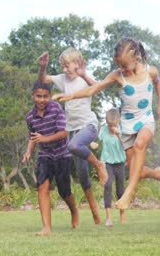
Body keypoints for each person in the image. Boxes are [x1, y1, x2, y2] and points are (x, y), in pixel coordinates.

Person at [53, 38, 160, 211]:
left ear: (137, 59)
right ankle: (155, 172)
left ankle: (128, 194)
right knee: (134, 169)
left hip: (146, 120)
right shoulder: (117, 75)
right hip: (127, 125)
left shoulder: (150, 71)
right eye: (119, 65)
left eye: (125, 65)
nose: (121, 69)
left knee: (140, 145)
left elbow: (158, 82)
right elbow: (94, 89)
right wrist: (70, 96)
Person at [38, 47, 107, 224]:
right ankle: (96, 215)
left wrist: (84, 75)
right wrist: (43, 67)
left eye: (67, 65)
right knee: (83, 175)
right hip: (74, 129)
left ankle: (99, 165)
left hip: (89, 126)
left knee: (73, 146)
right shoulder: (63, 79)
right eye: (62, 66)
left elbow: (97, 88)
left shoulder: (83, 79)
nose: (64, 69)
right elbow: (43, 80)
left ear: (77, 63)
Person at [22, 81, 79, 236]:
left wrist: (44, 139)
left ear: (49, 96)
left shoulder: (56, 109)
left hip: (62, 154)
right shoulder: (30, 117)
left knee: (64, 191)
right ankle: (46, 227)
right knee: (42, 186)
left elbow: (63, 133)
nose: (42, 100)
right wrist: (28, 151)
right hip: (45, 155)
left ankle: (74, 211)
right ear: (33, 96)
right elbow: (33, 138)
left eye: (45, 96)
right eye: (38, 96)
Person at [98, 108, 127, 226]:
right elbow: (98, 141)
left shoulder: (123, 130)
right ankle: (108, 218)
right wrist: (94, 144)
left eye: (113, 125)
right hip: (107, 162)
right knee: (108, 186)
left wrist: (119, 135)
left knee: (120, 189)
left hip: (120, 162)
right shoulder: (103, 130)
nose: (111, 127)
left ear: (118, 122)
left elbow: (127, 146)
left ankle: (122, 213)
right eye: (109, 125)